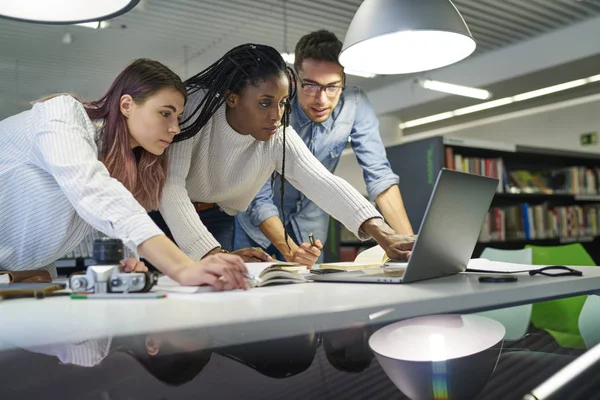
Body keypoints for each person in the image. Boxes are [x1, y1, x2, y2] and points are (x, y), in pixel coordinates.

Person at [152, 43, 414, 266]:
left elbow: (323, 182)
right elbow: (170, 187)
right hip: (160, 211)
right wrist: (213, 253)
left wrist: (384, 234)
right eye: (265, 103)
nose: (276, 115)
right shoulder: (196, 107)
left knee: (214, 290)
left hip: (217, 216)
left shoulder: (277, 134)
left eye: (282, 103)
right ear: (232, 98)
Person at [0, 58, 248, 290]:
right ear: (127, 105)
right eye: (165, 113)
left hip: (22, 277)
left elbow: (105, 218)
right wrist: (182, 267)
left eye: (178, 117)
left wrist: (128, 261)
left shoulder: (121, 166)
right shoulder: (62, 116)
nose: (174, 128)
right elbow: (93, 191)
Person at [235, 30, 414, 265]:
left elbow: (379, 175)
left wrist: (409, 246)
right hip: (257, 227)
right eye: (310, 86)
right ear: (293, 78)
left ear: (344, 81)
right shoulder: (273, 107)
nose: (321, 99)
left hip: (310, 231)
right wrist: (289, 250)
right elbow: (257, 193)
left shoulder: (355, 104)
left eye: (332, 87)